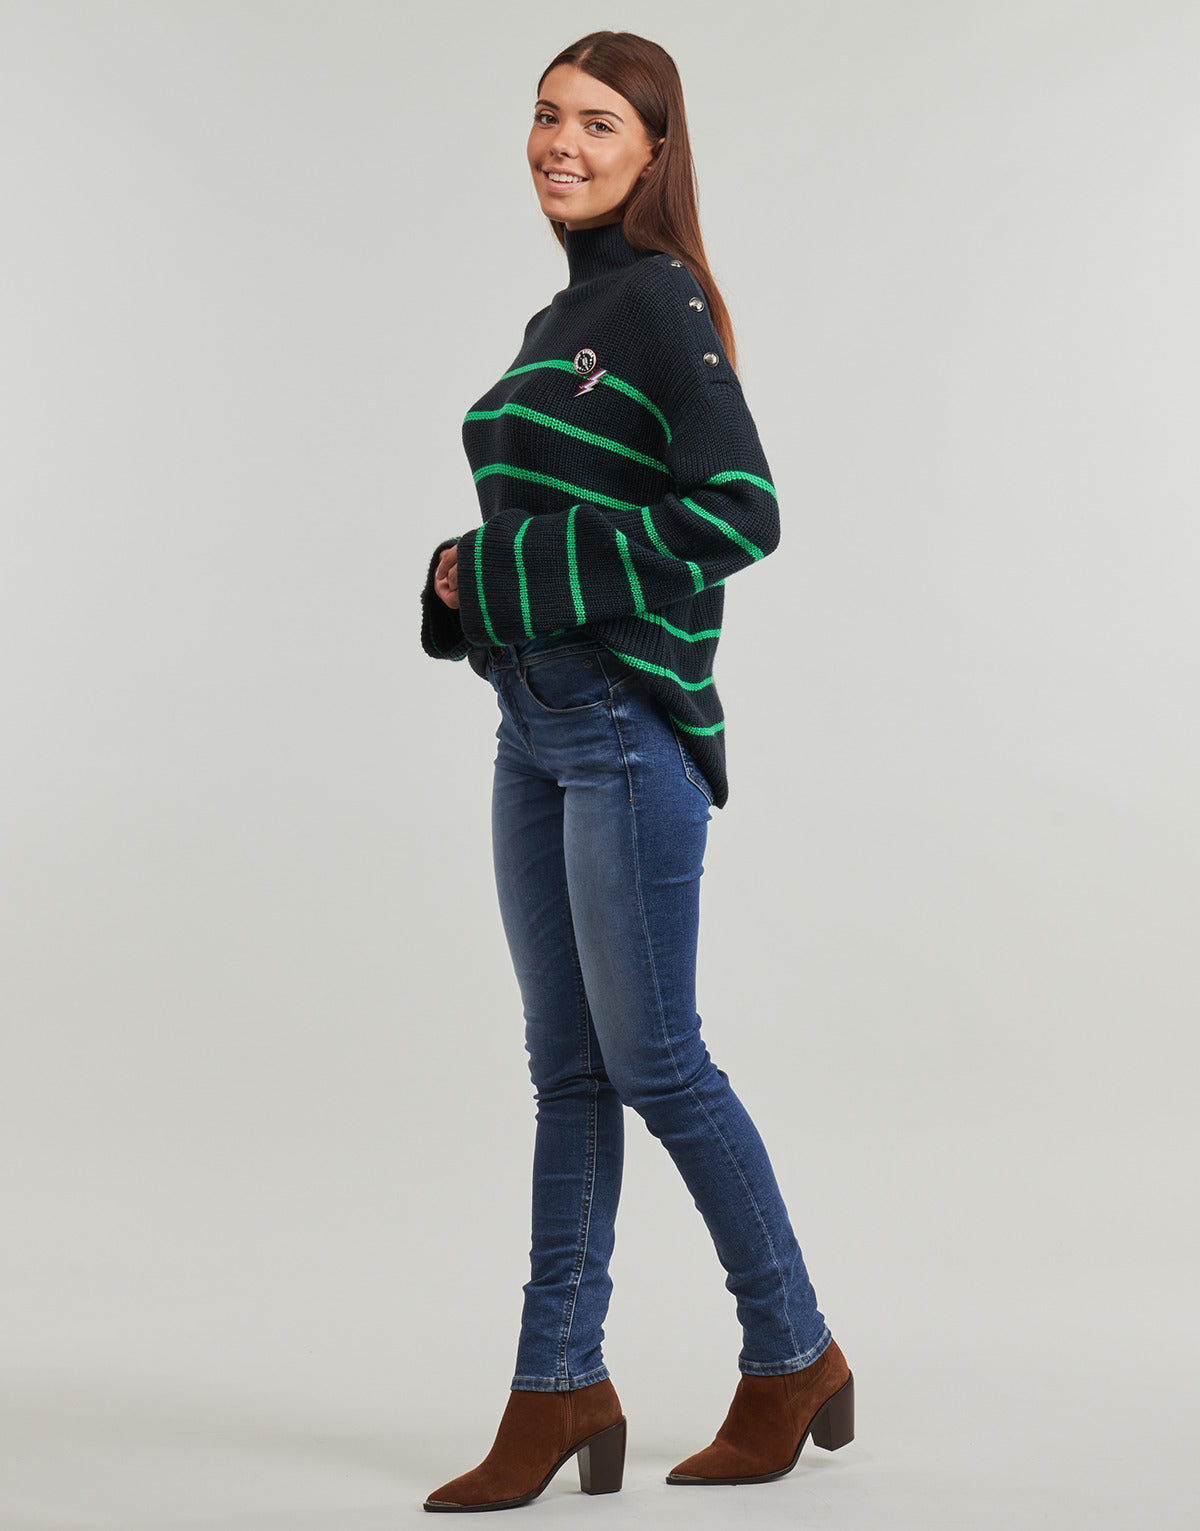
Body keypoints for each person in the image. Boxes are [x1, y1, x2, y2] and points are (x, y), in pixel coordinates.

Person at [418, 30, 854, 1514]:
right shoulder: (561, 317)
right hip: (531, 729)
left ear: (657, 152)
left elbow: (739, 511)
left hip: (620, 726)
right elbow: (560, 516)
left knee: (658, 1063)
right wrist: (466, 575)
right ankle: (557, 1387)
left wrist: (514, 566)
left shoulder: (658, 303)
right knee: (568, 1072)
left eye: (599, 122)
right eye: (547, 115)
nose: (562, 142)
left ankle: (792, 1353)